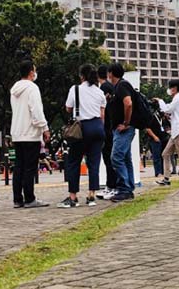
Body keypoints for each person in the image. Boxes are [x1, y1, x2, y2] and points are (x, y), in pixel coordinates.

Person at [58, 64, 108, 208]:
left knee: (74, 162)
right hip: (97, 127)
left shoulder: (75, 89)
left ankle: (73, 197)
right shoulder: (99, 92)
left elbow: (68, 108)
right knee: (94, 163)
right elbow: (102, 115)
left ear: (82, 76)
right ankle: (91, 195)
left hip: (81, 128)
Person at [9, 60, 51, 208]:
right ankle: (29, 198)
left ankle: (17, 199)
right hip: (31, 133)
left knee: (19, 166)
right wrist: (45, 128)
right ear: (31, 72)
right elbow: (36, 111)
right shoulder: (32, 88)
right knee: (30, 167)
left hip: (17, 133)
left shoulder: (14, 90)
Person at [106, 62, 136, 202]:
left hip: (124, 129)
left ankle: (124, 188)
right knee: (125, 158)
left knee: (116, 157)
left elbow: (128, 103)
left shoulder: (122, 85)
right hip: (121, 129)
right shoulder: (118, 87)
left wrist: (126, 123)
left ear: (111, 73)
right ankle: (128, 188)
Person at [98, 65, 119, 199]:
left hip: (107, 128)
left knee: (108, 158)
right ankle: (111, 185)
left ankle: (112, 186)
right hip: (111, 127)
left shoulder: (104, 88)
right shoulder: (110, 87)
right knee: (109, 158)